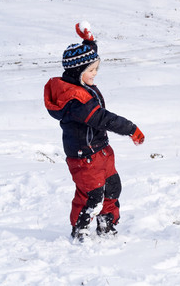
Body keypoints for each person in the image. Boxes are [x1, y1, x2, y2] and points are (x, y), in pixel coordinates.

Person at [44, 22, 145, 242]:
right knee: (92, 195)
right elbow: (102, 118)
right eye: (91, 70)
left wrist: (90, 43)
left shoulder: (78, 81)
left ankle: (106, 223)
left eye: (96, 68)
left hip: (100, 150)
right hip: (84, 156)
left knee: (112, 187)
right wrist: (130, 128)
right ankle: (80, 228)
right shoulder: (76, 101)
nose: (95, 74)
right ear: (77, 72)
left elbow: (84, 62)